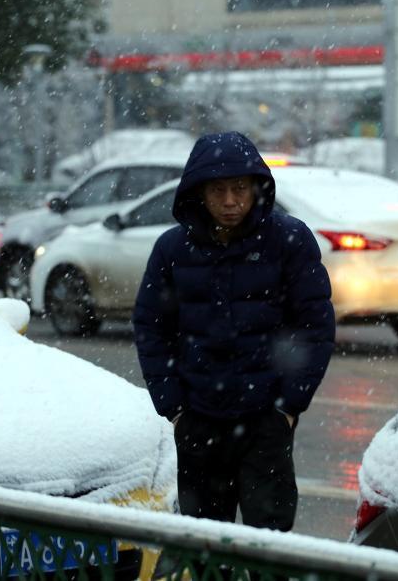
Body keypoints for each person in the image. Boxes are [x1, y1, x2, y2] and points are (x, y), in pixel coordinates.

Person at [133, 131, 335, 533]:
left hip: (265, 421)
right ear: (198, 193)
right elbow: (152, 327)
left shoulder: (289, 241)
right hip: (198, 422)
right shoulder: (173, 250)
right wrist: (174, 408)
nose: (230, 201)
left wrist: (288, 407)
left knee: (269, 548)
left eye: (239, 189)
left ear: (256, 188)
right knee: (206, 546)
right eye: (218, 190)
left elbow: (315, 326)